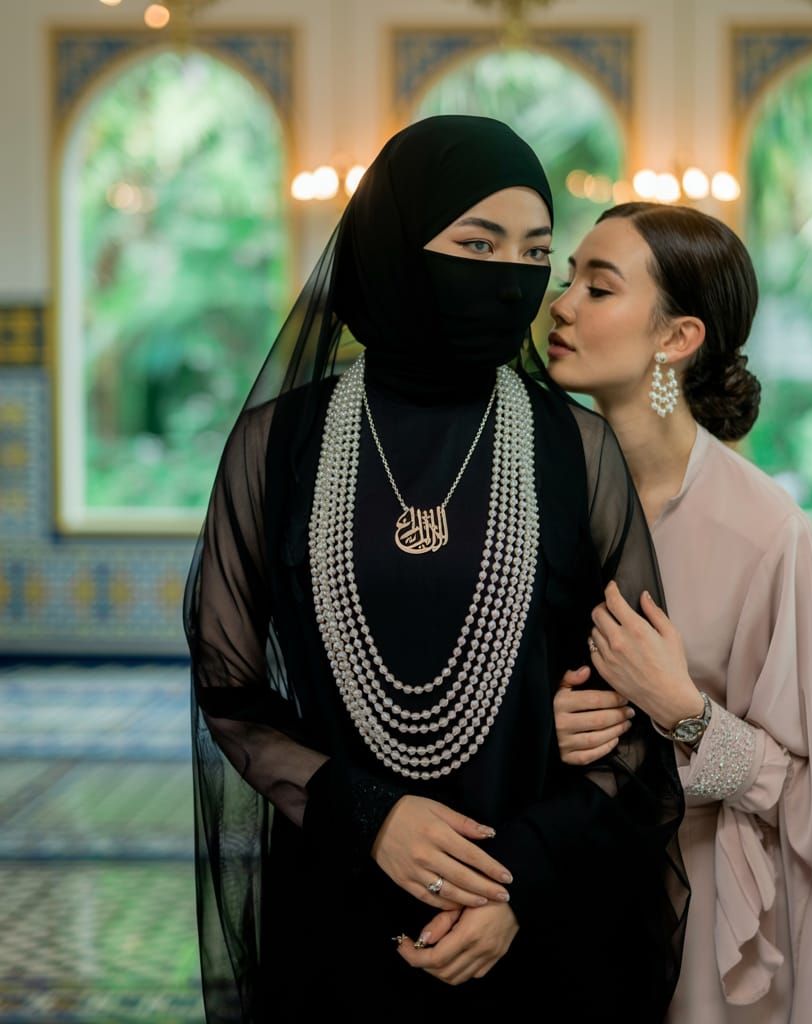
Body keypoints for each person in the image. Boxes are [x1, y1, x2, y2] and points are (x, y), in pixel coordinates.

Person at [185, 118, 686, 1023]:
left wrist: (511, 887)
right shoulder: (280, 442)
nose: (512, 275)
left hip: (533, 922)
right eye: (477, 243)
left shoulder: (575, 449)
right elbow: (230, 690)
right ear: (395, 242)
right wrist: (372, 816)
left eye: (536, 250)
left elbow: (636, 727)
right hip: (337, 897)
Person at [547, 202, 812, 1023]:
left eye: (599, 286)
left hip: (691, 921)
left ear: (677, 337)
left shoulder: (766, 533)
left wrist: (682, 710)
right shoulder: (527, 494)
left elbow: (801, 789)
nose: (562, 303)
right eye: (568, 279)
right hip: (538, 889)